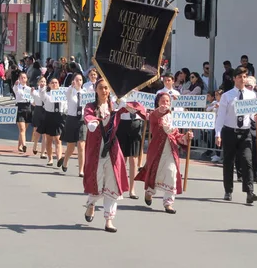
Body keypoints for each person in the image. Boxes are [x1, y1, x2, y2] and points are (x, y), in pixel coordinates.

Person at [83, 78, 146, 233]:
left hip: (112, 148)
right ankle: (91, 204)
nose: (104, 91)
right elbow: (88, 116)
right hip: (96, 148)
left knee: (112, 182)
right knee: (96, 181)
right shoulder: (91, 106)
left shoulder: (115, 105)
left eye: (106, 88)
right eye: (101, 88)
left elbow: (139, 111)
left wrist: (125, 105)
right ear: (96, 90)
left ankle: (108, 219)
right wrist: (92, 122)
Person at [135, 92, 193, 213]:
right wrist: (159, 111)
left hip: (171, 150)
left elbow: (176, 134)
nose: (165, 104)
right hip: (157, 150)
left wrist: (186, 137)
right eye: (163, 101)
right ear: (157, 102)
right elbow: (154, 118)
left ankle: (168, 203)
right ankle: (149, 192)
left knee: (172, 173)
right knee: (155, 173)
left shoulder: (174, 117)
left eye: (167, 101)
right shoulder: (154, 115)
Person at [214, 67, 257, 204]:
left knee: (247, 161)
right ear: (234, 79)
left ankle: (249, 192)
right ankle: (228, 190)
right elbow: (221, 116)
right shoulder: (227, 96)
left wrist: (256, 117)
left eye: (244, 76)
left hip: (245, 132)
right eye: (239, 77)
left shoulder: (251, 95)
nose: (242, 79)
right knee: (229, 162)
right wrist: (218, 134)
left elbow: (252, 114)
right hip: (230, 132)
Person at [59, 73, 86, 176]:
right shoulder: (70, 92)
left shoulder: (85, 93)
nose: (79, 82)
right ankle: (65, 160)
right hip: (71, 119)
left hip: (82, 120)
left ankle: (81, 170)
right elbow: (68, 93)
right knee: (71, 146)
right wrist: (71, 86)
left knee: (81, 145)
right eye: (77, 80)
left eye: (80, 80)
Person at [39, 77, 65, 166]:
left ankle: (59, 158)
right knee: (49, 140)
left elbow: (66, 105)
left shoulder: (62, 94)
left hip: (59, 117)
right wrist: (42, 87)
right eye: (53, 83)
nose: (55, 84)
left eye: (56, 82)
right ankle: (50, 159)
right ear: (49, 85)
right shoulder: (47, 94)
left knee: (58, 140)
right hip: (49, 116)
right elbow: (42, 95)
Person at [13, 73, 33, 153]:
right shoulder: (17, 87)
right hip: (20, 107)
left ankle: (19, 145)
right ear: (19, 78)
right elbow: (15, 89)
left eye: (24, 77)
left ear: (26, 79)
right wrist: (16, 84)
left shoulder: (29, 89)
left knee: (24, 130)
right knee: (22, 128)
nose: (23, 79)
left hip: (28, 108)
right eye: (21, 77)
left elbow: (32, 99)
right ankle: (24, 145)